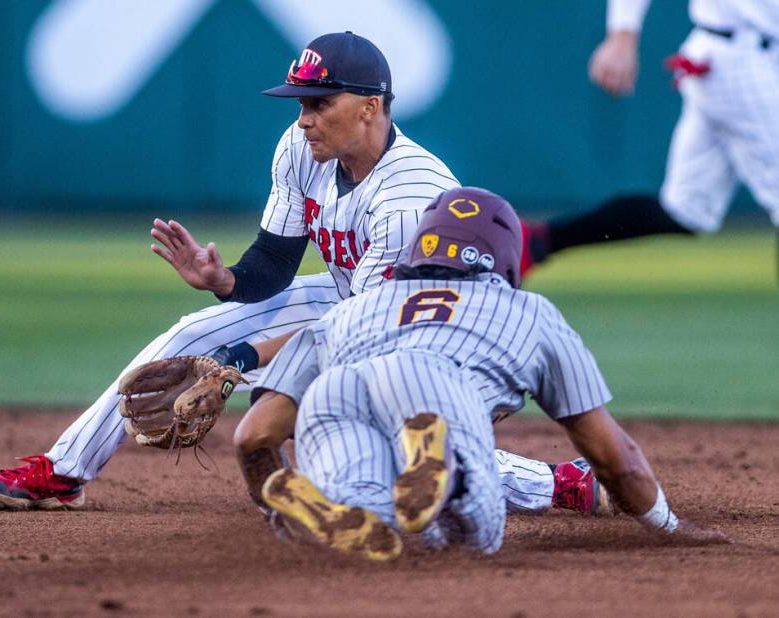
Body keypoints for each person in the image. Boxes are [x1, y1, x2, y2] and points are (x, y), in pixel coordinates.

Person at [0, 32, 599, 516]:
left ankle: (557, 483)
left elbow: (357, 336)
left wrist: (243, 360)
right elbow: (274, 263)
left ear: (371, 107)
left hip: (433, 337)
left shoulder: (408, 196)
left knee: (367, 432)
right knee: (195, 333)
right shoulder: (304, 147)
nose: (304, 117)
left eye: (320, 103)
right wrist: (224, 283)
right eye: (300, 101)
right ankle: (62, 471)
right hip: (357, 299)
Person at [250, 186, 728, 560]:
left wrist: (269, 504)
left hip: (335, 394)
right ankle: (448, 472)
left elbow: (254, 436)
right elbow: (615, 457)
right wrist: (670, 526)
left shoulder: (354, 309)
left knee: (363, 512)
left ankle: (335, 501)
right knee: (471, 534)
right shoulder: (527, 311)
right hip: (433, 388)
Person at [522, 0, 779, 274]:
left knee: (686, 209)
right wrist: (622, 35)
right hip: (741, 56)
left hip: (750, 55)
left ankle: (534, 241)